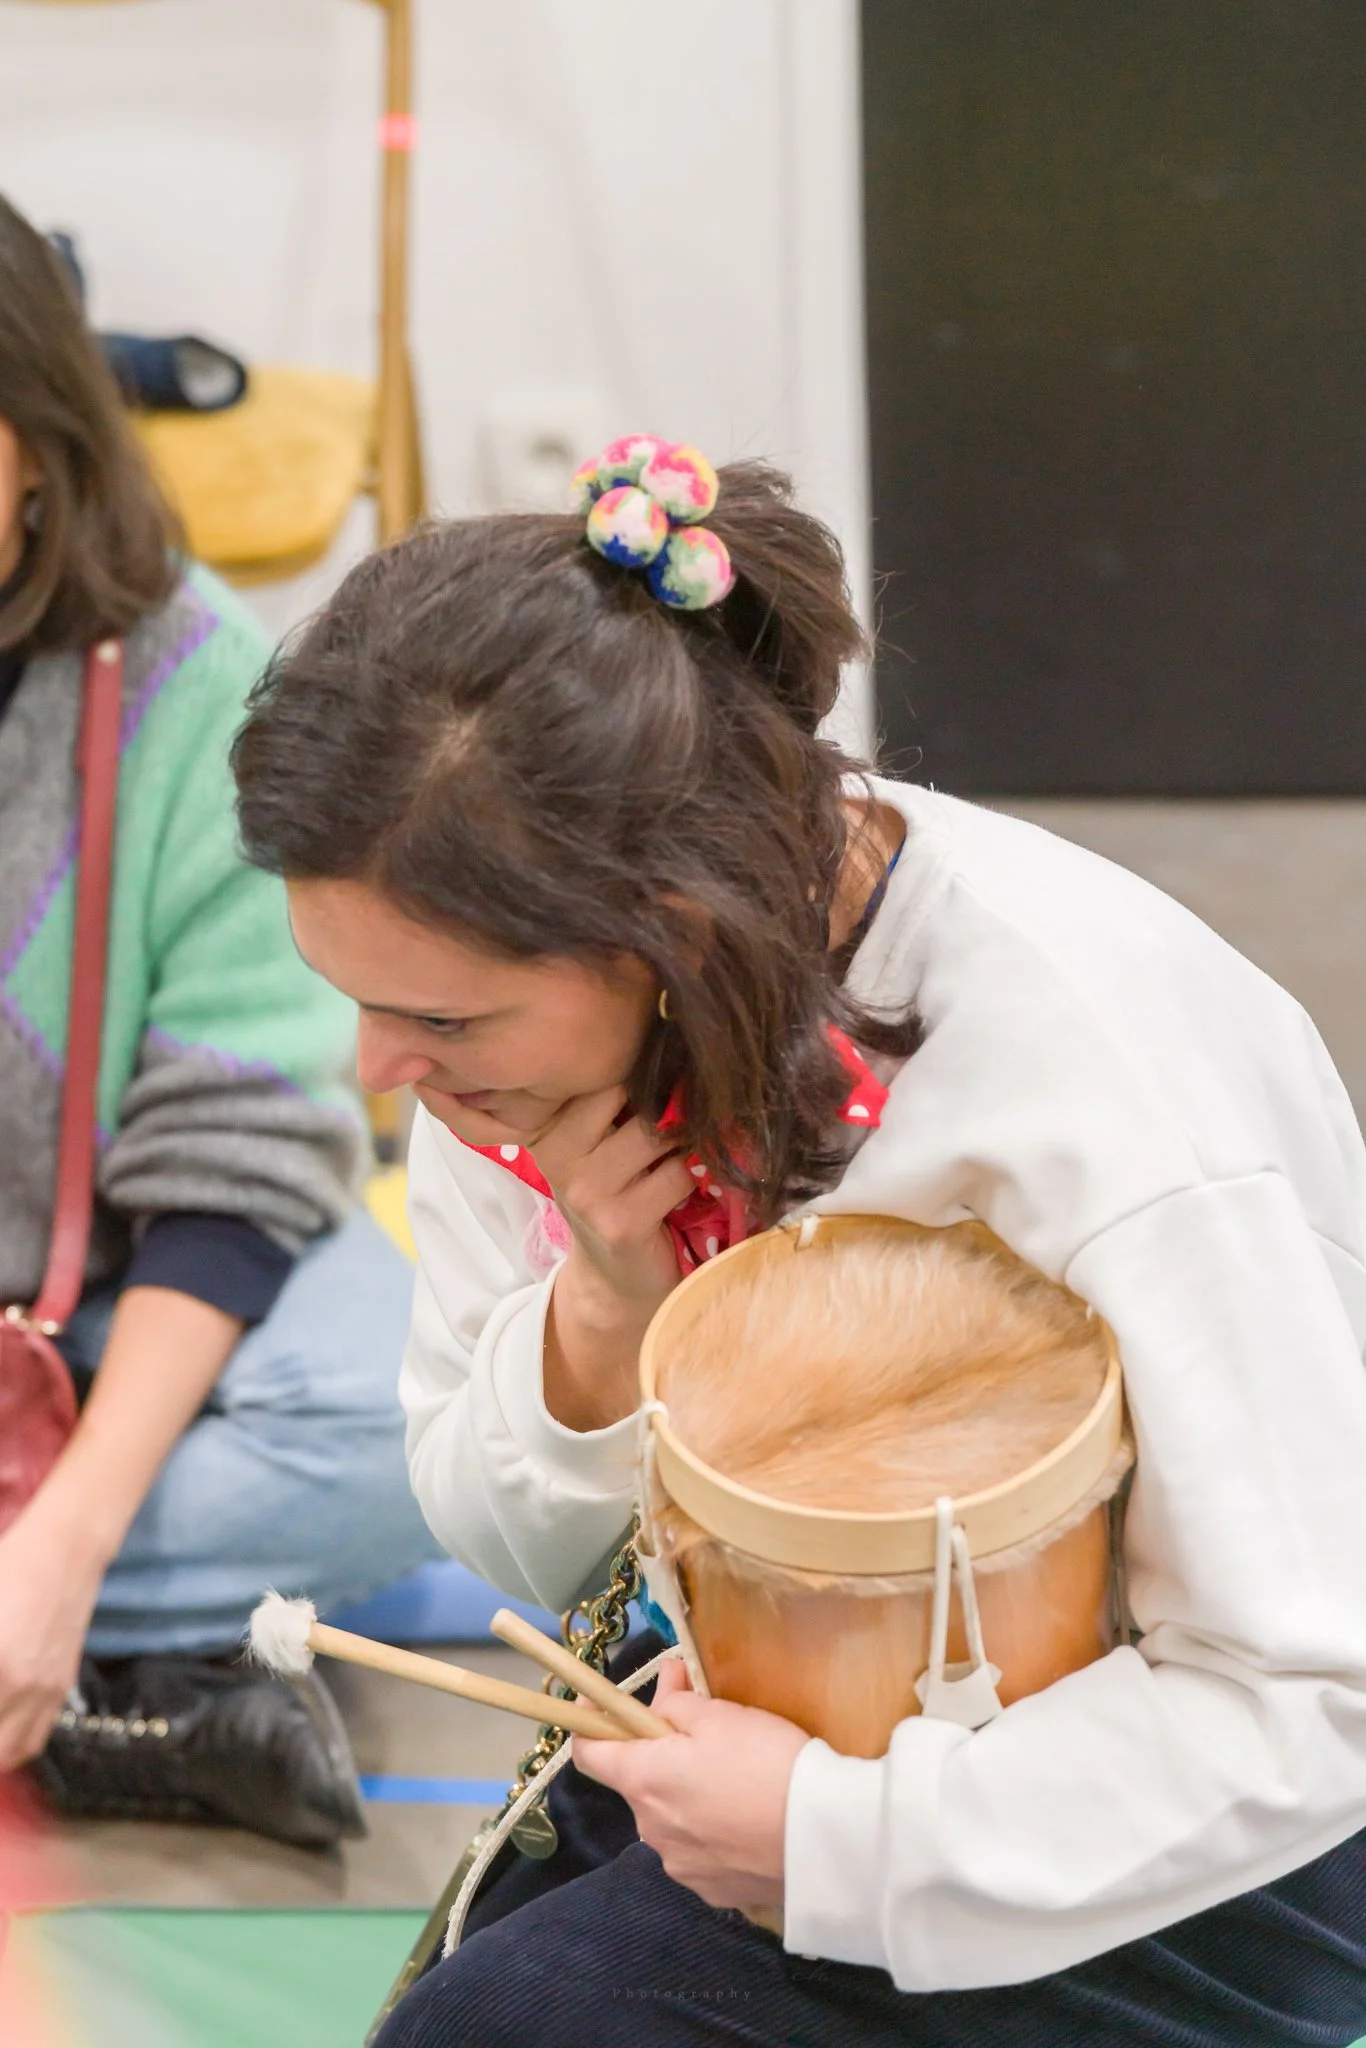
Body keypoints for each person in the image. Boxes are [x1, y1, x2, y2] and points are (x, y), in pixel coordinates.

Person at [232, 434, 1366, 2042]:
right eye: (354, 1001)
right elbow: (530, 1561)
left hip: (1158, 1844)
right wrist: (601, 1325)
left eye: (431, 1014)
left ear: (672, 928)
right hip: (753, 1716)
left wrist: (843, 1841)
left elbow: (1308, 1698)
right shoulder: (528, 1042)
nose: (378, 1071)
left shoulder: (1111, 1093)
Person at [0, 192, 439, 1847]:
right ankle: (161, 1675)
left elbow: (242, 1142)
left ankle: (69, 1622)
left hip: (123, 1298)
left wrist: (64, 1543)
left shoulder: (191, 676)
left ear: (40, 442)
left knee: (405, 1426)